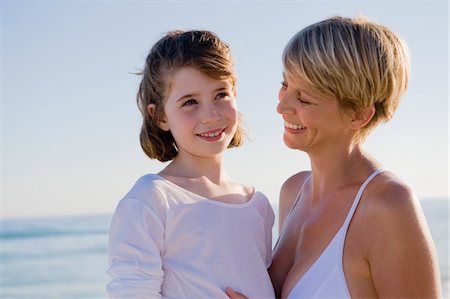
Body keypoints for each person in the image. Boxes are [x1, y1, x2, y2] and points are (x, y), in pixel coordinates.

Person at [228, 15, 441, 299]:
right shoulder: (293, 191)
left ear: (358, 115)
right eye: (285, 85)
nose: (282, 106)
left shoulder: (388, 207)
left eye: (304, 98)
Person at [106, 30, 275, 299]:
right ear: (160, 115)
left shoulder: (258, 205)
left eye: (221, 94)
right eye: (190, 102)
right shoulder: (152, 199)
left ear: (235, 92)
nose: (210, 115)